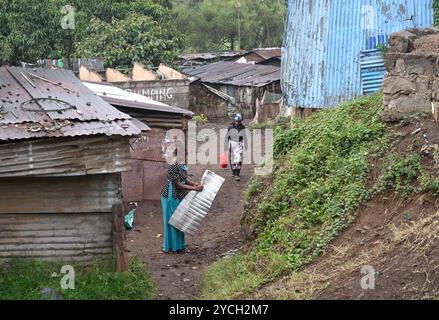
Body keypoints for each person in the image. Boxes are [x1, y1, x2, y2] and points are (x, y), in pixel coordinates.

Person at [160, 152, 203, 253]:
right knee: (173, 221)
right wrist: (195, 189)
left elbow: (184, 179)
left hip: (178, 195)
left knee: (180, 220)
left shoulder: (181, 163)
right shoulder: (173, 165)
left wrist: (194, 184)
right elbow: (178, 184)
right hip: (171, 196)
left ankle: (179, 246)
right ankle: (172, 247)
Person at [224, 113, 246, 181]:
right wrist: (226, 144)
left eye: (239, 121)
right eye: (236, 121)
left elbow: (244, 136)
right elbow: (227, 136)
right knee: (232, 158)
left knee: (238, 158)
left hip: (239, 143)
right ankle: (233, 171)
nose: (237, 123)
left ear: (240, 121)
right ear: (234, 121)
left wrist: (245, 144)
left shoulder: (243, 127)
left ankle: (237, 174)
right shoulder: (230, 127)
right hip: (232, 143)